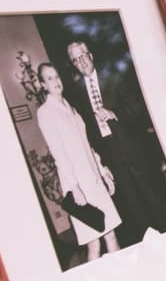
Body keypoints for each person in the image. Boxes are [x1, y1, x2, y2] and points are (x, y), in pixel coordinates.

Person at [64, 40, 166, 247]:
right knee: (131, 203)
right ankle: (149, 246)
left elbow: (138, 109)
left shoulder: (114, 77)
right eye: (75, 59)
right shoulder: (75, 93)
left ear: (91, 55)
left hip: (133, 147)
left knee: (153, 194)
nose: (81, 62)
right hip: (109, 153)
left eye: (83, 56)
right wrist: (100, 163)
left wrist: (114, 114)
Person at [36, 62, 121, 262]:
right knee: (94, 243)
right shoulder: (46, 112)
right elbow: (58, 153)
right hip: (79, 186)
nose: (55, 81)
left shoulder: (69, 107)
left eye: (56, 76)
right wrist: (74, 188)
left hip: (93, 179)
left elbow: (86, 144)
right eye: (49, 78)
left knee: (111, 233)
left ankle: (124, 278)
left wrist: (102, 168)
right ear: (42, 85)